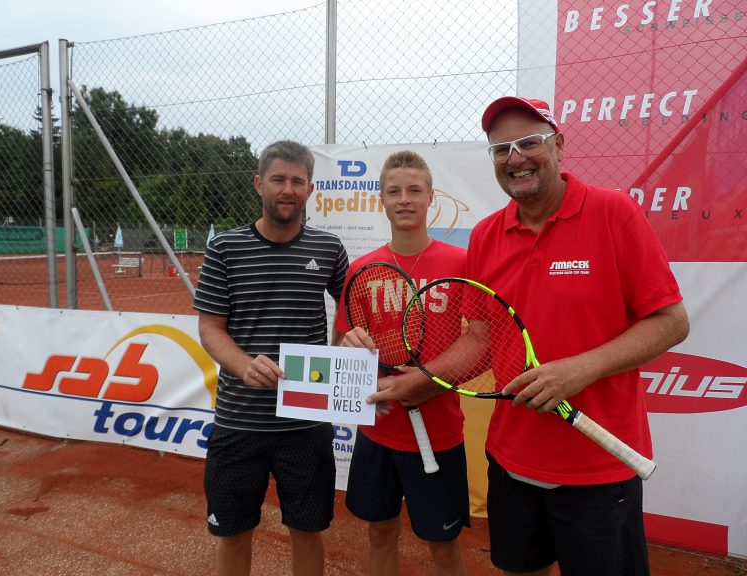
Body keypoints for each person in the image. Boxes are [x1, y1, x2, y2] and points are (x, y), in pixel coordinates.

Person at [369, 98, 690, 576]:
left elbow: (671, 321)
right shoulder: (485, 236)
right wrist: (424, 380)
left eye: (529, 142)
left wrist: (580, 369)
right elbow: (479, 340)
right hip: (511, 459)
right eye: (501, 149)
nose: (515, 158)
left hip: (599, 464)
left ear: (558, 144)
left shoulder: (614, 212)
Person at [193, 140, 349, 576]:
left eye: (297, 181)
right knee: (233, 533)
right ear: (259, 183)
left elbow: (350, 315)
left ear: (310, 189)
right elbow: (209, 328)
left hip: (307, 421)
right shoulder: (225, 248)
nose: (288, 189)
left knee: (307, 530)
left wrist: (340, 354)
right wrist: (243, 365)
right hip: (239, 423)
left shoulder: (328, 248)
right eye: (278, 179)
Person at [336, 150, 470, 576]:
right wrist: (350, 345)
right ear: (381, 199)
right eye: (394, 191)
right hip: (377, 431)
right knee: (379, 532)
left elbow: (481, 342)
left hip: (440, 432)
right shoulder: (361, 269)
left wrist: (430, 380)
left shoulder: (460, 263)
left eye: (414, 190)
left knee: (444, 546)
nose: (405, 199)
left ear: (431, 196)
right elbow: (342, 344)